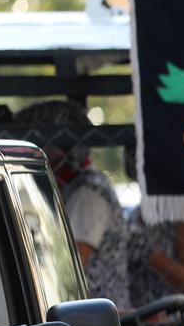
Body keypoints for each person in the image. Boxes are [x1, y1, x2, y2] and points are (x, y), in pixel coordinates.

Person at [11, 99, 131, 311]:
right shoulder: (69, 187)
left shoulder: (88, 192)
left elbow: (68, 266)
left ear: (65, 149)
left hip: (94, 317)